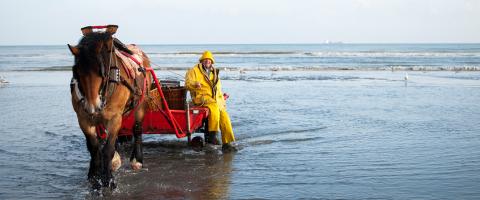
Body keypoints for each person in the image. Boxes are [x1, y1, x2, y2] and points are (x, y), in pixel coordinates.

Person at [185, 51, 237, 152]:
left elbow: (219, 90)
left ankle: (228, 143)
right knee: (214, 107)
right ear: (202, 61)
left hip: (216, 100)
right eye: (205, 60)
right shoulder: (193, 71)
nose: (207, 62)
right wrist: (195, 84)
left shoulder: (215, 72)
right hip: (201, 98)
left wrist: (222, 101)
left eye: (209, 60)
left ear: (212, 62)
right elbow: (187, 84)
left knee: (224, 116)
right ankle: (213, 135)